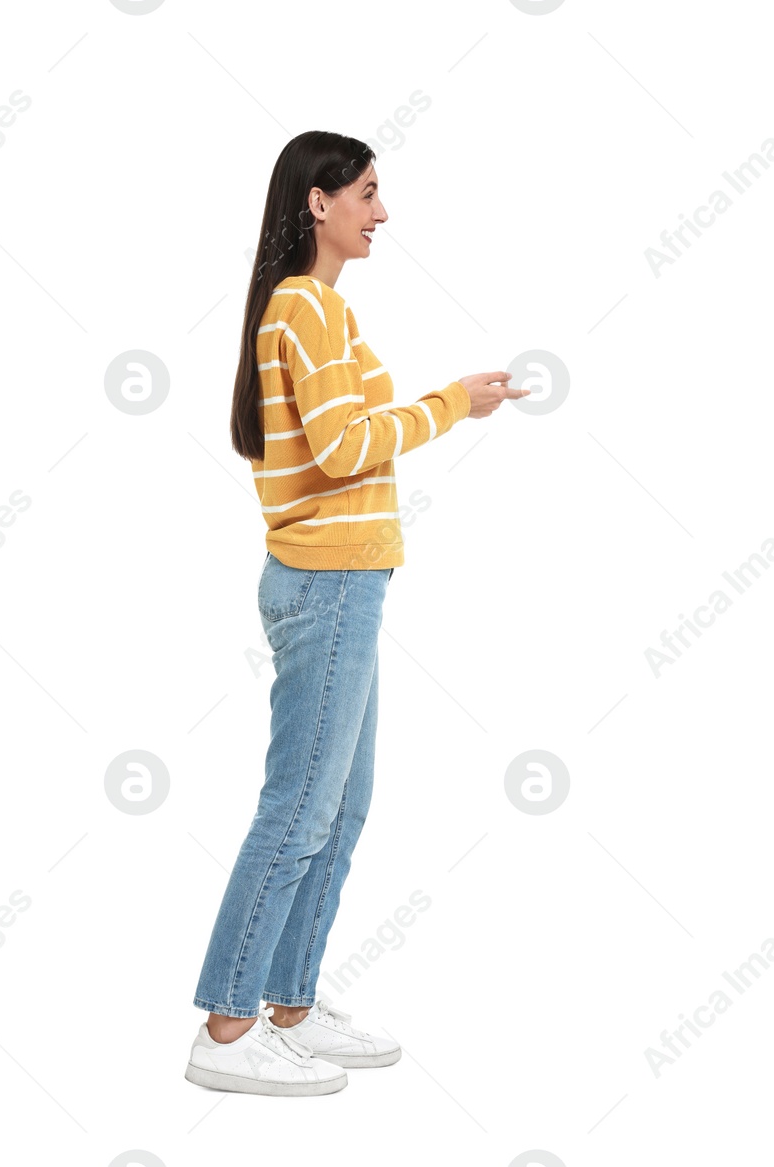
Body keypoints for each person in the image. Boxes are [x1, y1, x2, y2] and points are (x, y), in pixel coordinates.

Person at [186, 131, 527, 1096]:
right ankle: (226, 1023)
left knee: (341, 807)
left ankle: (288, 1001)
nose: (383, 213)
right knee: (299, 807)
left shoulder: (317, 309)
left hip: (347, 580)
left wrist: (447, 401)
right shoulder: (307, 309)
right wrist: (452, 404)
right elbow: (343, 449)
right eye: (369, 193)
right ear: (318, 204)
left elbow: (343, 435)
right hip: (329, 580)